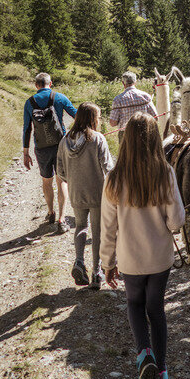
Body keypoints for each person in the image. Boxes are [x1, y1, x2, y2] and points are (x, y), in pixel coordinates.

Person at [100, 113, 185, 379]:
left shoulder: (114, 178)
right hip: (159, 258)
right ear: (154, 139)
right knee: (156, 310)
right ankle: (162, 377)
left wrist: (107, 262)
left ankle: (144, 355)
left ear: (126, 141)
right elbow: (176, 221)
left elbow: (108, 227)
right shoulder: (165, 173)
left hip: (130, 259)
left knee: (134, 305)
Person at [57, 102, 114, 289]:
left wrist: (73, 180)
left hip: (76, 192)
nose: (100, 119)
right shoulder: (98, 139)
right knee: (97, 232)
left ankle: (79, 261)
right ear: (92, 118)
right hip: (97, 193)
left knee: (81, 226)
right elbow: (108, 168)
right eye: (98, 116)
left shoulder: (65, 140)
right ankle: (97, 272)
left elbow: (60, 171)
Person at [23, 72, 77, 233]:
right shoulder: (59, 97)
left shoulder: (29, 102)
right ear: (50, 83)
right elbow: (77, 115)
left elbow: (27, 129)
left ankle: (50, 212)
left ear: (36, 85)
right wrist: (75, 135)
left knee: (47, 181)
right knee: (62, 182)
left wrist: (26, 152)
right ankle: (62, 219)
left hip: (41, 148)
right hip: (61, 145)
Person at [109, 71, 157, 141]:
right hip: (144, 132)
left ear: (123, 83)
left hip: (125, 134)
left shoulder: (118, 99)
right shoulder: (145, 96)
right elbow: (155, 117)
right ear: (135, 82)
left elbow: (113, 123)